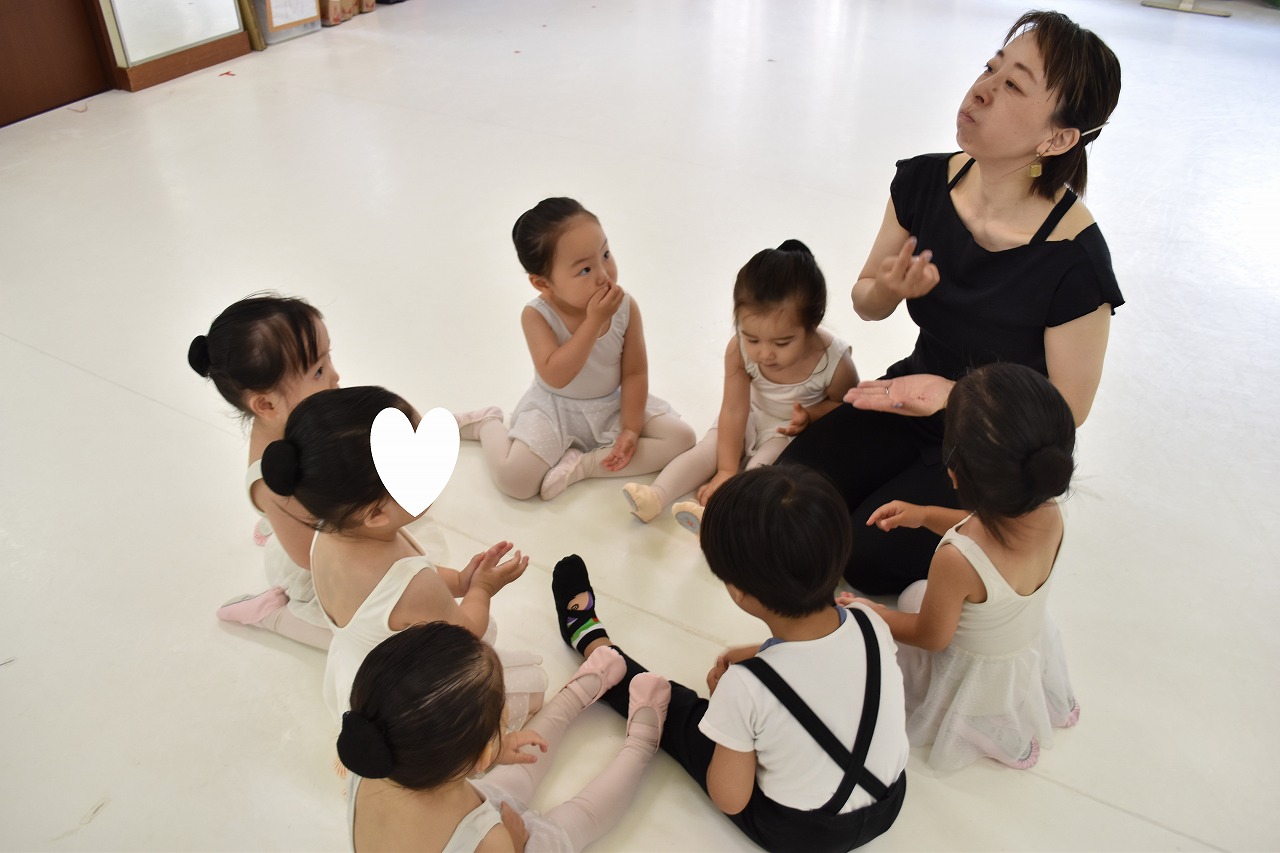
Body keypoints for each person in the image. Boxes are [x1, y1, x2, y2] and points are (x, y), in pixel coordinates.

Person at [779, 9, 1124, 595]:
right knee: (792, 493)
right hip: (910, 395)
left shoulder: (1075, 259)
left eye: (1014, 85)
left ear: (1058, 138)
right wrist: (890, 288)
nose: (982, 89)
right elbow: (866, 302)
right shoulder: (922, 183)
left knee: (865, 556)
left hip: (995, 443)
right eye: (991, 68)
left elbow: (1069, 408)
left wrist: (954, 395)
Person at [551, 467, 909, 853]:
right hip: (889, 800)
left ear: (738, 590)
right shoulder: (869, 620)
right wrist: (762, 655)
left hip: (801, 835)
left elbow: (730, 798)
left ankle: (594, 646)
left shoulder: (745, 687)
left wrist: (731, 713)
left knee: (677, 710)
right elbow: (825, 667)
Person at [841, 363, 1081, 771]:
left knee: (904, 604)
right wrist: (923, 515)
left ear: (953, 474)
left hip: (971, 679)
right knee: (920, 595)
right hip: (1019, 652)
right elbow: (981, 527)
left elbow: (931, 637)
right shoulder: (1048, 511)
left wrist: (875, 613)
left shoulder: (958, 557)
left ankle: (972, 720)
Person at [260, 386, 544, 723]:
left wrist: (460, 581)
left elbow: (396, 591)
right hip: (411, 693)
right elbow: (467, 633)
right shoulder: (414, 586)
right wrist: (481, 589)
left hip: (362, 668)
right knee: (533, 690)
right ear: (376, 514)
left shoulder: (328, 531)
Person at [338, 621, 670, 852]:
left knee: (517, 765)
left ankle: (570, 700)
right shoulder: (491, 842)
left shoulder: (374, 754)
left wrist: (494, 750)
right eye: (502, 718)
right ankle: (641, 747)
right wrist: (513, 843)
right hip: (493, 842)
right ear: (480, 757)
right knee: (574, 821)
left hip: (467, 820)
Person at [455, 197, 695, 501]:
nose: (603, 275)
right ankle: (487, 424)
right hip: (555, 411)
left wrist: (631, 429)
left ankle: (583, 466)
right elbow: (556, 375)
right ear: (543, 283)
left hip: (611, 406)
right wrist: (593, 322)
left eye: (605, 254)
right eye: (584, 270)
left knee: (682, 438)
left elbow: (635, 372)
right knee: (515, 481)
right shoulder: (537, 315)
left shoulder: (625, 306)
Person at [622, 239, 858, 532]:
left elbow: (847, 410)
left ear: (812, 324)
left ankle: (717, 517)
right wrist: (726, 469)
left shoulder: (834, 361)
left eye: (782, 343)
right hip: (748, 415)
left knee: (761, 472)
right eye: (753, 339)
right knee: (708, 449)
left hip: (787, 433)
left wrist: (811, 415)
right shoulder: (738, 349)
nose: (765, 354)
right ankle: (656, 496)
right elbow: (734, 409)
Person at [188, 294, 339, 649]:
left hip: (316, 514)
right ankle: (273, 614)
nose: (335, 375)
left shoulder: (300, 411)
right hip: (315, 565)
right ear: (267, 404)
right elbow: (309, 556)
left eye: (329, 358)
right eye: (319, 371)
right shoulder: (272, 480)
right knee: (360, 635)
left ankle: (274, 524)